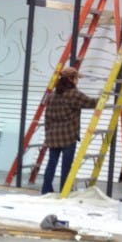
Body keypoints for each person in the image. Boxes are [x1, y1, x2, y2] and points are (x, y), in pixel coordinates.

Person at [41, 65, 98, 195]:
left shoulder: (51, 96)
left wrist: (47, 136)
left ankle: (45, 190)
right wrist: (105, 96)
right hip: (68, 136)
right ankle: (64, 191)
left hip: (53, 136)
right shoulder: (73, 94)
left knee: (51, 163)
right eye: (76, 78)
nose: (77, 80)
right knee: (66, 167)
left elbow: (47, 118)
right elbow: (92, 103)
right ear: (71, 79)